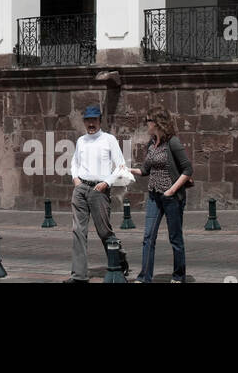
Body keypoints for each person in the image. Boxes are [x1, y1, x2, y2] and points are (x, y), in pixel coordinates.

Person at [128, 108, 193, 283]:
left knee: (175, 238)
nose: (146, 124)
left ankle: (179, 277)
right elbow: (145, 170)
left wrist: (171, 190)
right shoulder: (151, 143)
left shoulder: (173, 143)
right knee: (148, 237)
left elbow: (188, 169)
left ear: (157, 123)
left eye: (148, 120)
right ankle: (144, 278)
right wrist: (127, 170)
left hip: (171, 198)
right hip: (154, 196)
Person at [67, 105, 129, 283]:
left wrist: (106, 183)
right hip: (80, 189)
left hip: (99, 190)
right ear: (84, 122)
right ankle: (78, 275)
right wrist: (75, 179)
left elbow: (120, 166)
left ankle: (119, 258)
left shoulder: (109, 139)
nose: (91, 123)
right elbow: (74, 163)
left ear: (100, 121)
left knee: (104, 231)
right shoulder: (81, 141)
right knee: (78, 231)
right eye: (88, 120)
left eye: (94, 120)